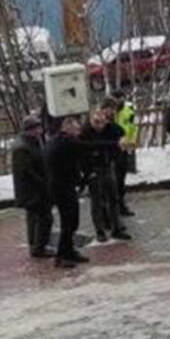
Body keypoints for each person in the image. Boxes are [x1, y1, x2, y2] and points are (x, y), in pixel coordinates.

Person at [80, 108, 131, 242]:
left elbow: (121, 132)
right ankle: (100, 231)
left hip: (108, 166)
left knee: (113, 199)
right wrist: (87, 173)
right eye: (97, 123)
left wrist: (122, 139)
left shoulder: (109, 128)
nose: (100, 126)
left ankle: (116, 228)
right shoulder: (85, 132)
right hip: (94, 170)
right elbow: (90, 147)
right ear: (91, 121)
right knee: (97, 202)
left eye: (103, 122)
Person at [45, 117, 90, 268]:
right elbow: (87, 145)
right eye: (76, 129)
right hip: (61, 188)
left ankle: (69, 251)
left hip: (65, 186)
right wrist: (115, 143)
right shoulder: (64, 142)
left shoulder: (60, 140)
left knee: (72, 220)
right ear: (68, 129)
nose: (79, 132)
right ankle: (61, 256)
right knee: (68, 222)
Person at [11, 115, 54, 258]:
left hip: (34, 188)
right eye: (38, 128)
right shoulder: (23, 148)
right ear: (31, 130)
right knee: (44, 217)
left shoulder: (33, 142)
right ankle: (39, 246)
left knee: (34, 217)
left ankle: (35, 245)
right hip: (32, 190)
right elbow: (26, 171)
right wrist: (43, 183)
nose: (41, 130)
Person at [110, 92, 137, 217]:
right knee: (114, 181)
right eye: (117, 98)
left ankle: (121, 205)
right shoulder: (109, 112)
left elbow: (133, 127)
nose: (119, 101)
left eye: (121, 98)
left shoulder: (128, 110)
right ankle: (114, 207)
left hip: (124, 148)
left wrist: (132, 142)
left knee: (121, 180)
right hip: (112, 149)